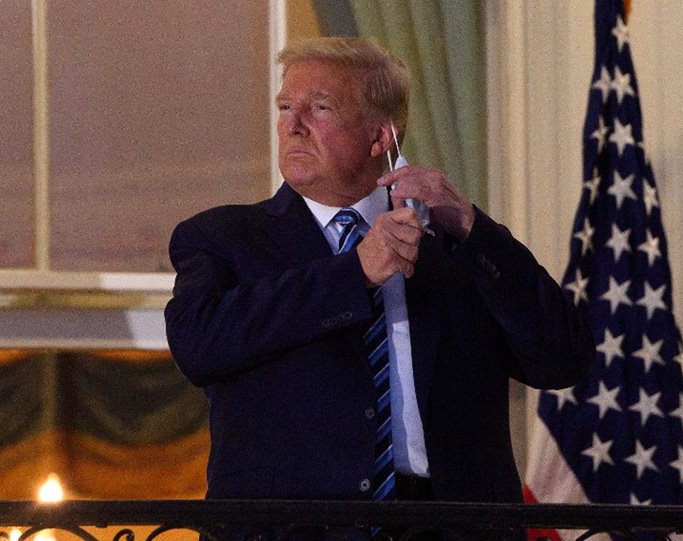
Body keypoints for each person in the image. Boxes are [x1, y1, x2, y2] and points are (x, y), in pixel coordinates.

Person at [164, 37, 594, 537]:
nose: (291, 124)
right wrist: (355, 272)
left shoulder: (454, 247)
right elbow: (197, 347)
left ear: (380, 138)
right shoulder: (223, 238)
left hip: (448, 528)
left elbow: (563, 358)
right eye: (285, 106)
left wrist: (472, 227)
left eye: (319, 107)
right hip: (296, 530)